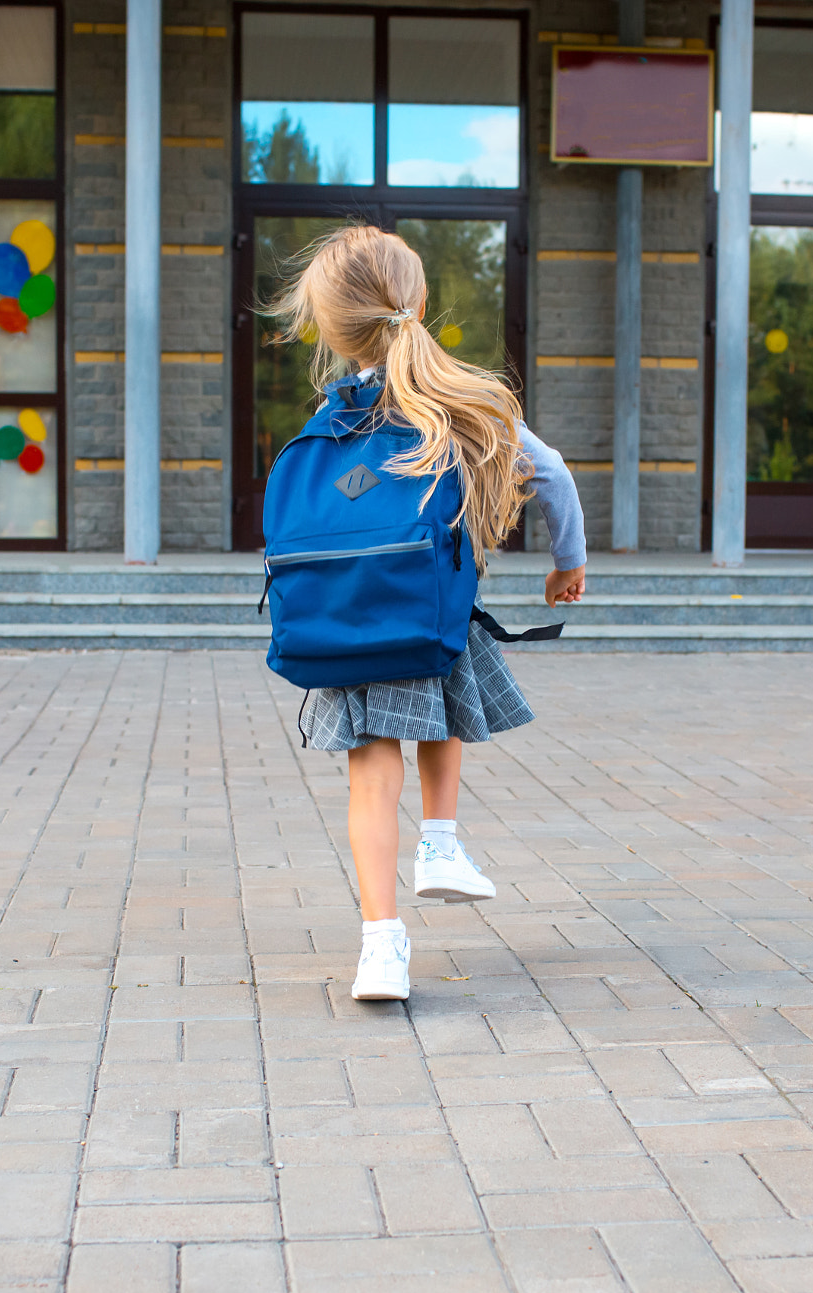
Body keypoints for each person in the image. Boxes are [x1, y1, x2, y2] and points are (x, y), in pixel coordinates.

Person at [265, 224, 588, 1003]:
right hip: (427, 618)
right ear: (415, 303)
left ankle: (381, 948)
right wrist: (567, 561)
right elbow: (553, 475)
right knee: (444, 694)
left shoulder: (327, 420)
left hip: (345, 626)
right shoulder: (458, 402)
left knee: (369, 782)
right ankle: (441, 845)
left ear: (331, 328)